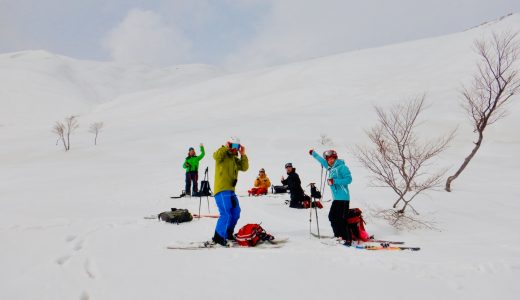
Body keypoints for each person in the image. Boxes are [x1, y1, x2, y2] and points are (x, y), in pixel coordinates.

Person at [310, 149, 353, 245]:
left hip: (344, 198)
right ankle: (338, 236)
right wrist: (313, 153)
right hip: (336, 199)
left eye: (332, 159)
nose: (330, 161)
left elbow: (349, 179)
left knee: (342, 219)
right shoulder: (330, 168)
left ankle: (348, 239)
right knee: (332, 217)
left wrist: (334, 181)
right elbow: (321, 161)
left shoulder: (342, 167)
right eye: (328, 159)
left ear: (335, 158)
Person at [212, 137, 249, 246]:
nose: (235, 149)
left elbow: (244, 167)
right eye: (233, 146)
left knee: (236, 212)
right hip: (221, 190)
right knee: (226, 214)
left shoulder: (234, 159)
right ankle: (218, 237)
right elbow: (216, 156)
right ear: (229, 144)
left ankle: (228, 233)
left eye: (237, 147)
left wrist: (243, 154)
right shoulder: (222, 155)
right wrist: (225, 147)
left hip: (231, 190)